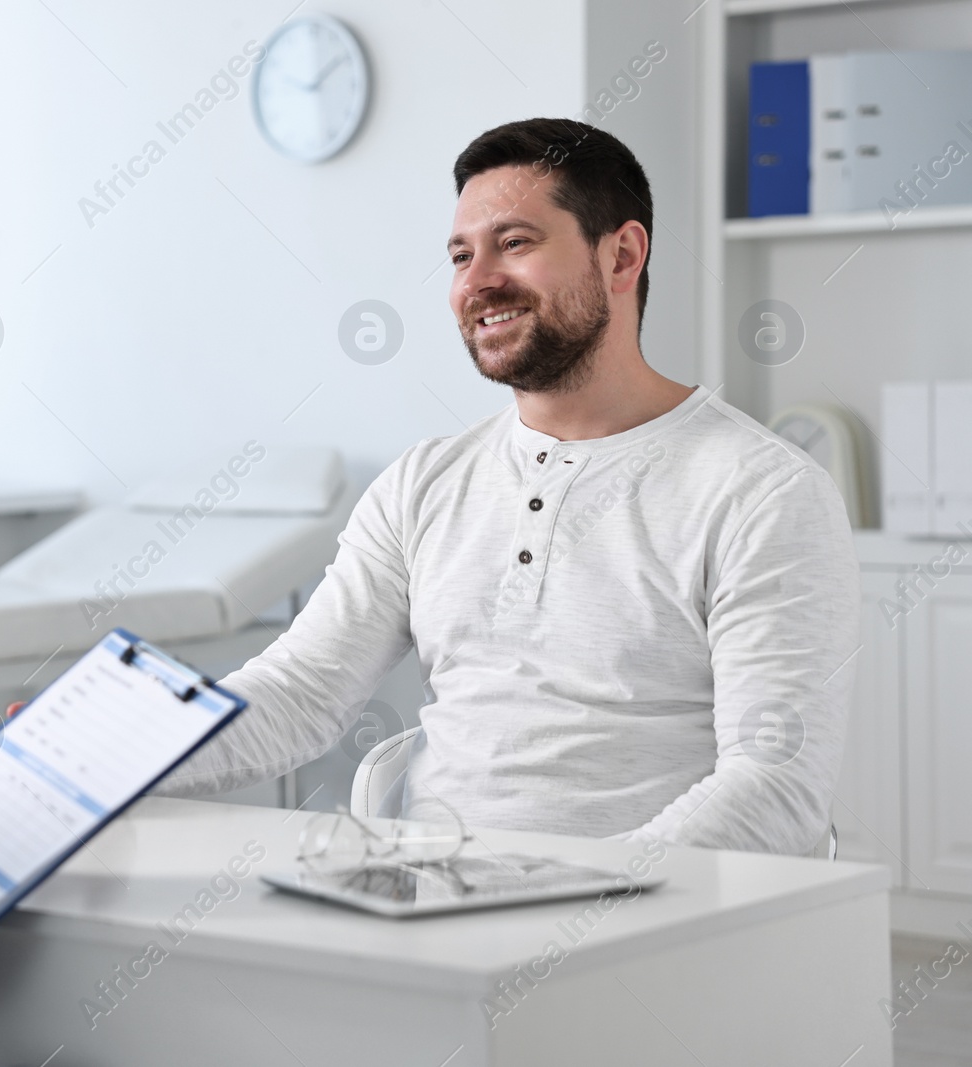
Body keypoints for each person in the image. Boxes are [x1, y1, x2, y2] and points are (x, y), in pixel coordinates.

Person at [153, 118, 860, 855]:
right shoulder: (424, 481)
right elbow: (299, 691)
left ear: (621, 255)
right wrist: (110, 759)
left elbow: (775, 784)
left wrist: (581, 904)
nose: (476, 281)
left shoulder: (764, 491)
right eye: (462, 254)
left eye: (515, 243)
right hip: (428, 905)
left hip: (647, 935)